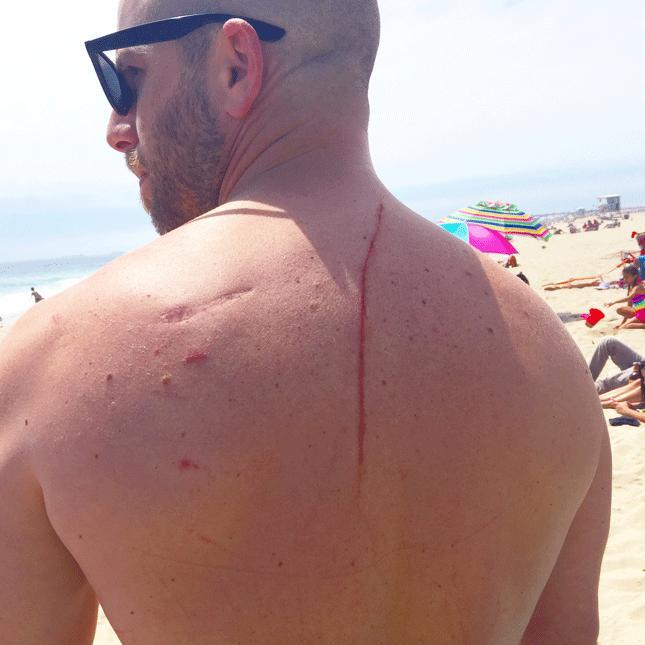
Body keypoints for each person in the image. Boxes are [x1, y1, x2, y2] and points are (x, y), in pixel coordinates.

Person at [0, 1, 610, 643]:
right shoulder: (549, 356)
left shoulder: (53, 365)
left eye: (128, 79)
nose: (117, 129)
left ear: (236, 65)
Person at [605, 264, 645, 329]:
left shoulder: (638, 287)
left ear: (635, 276)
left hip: (643, 314)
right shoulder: (631, 287)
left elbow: (629, 298)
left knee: (627, 326)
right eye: (624, 277)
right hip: (639, 312)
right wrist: (622, 323)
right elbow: (629, 305)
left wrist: (614, 302)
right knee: (620, 310)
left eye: (627, 277)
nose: (624, 279)